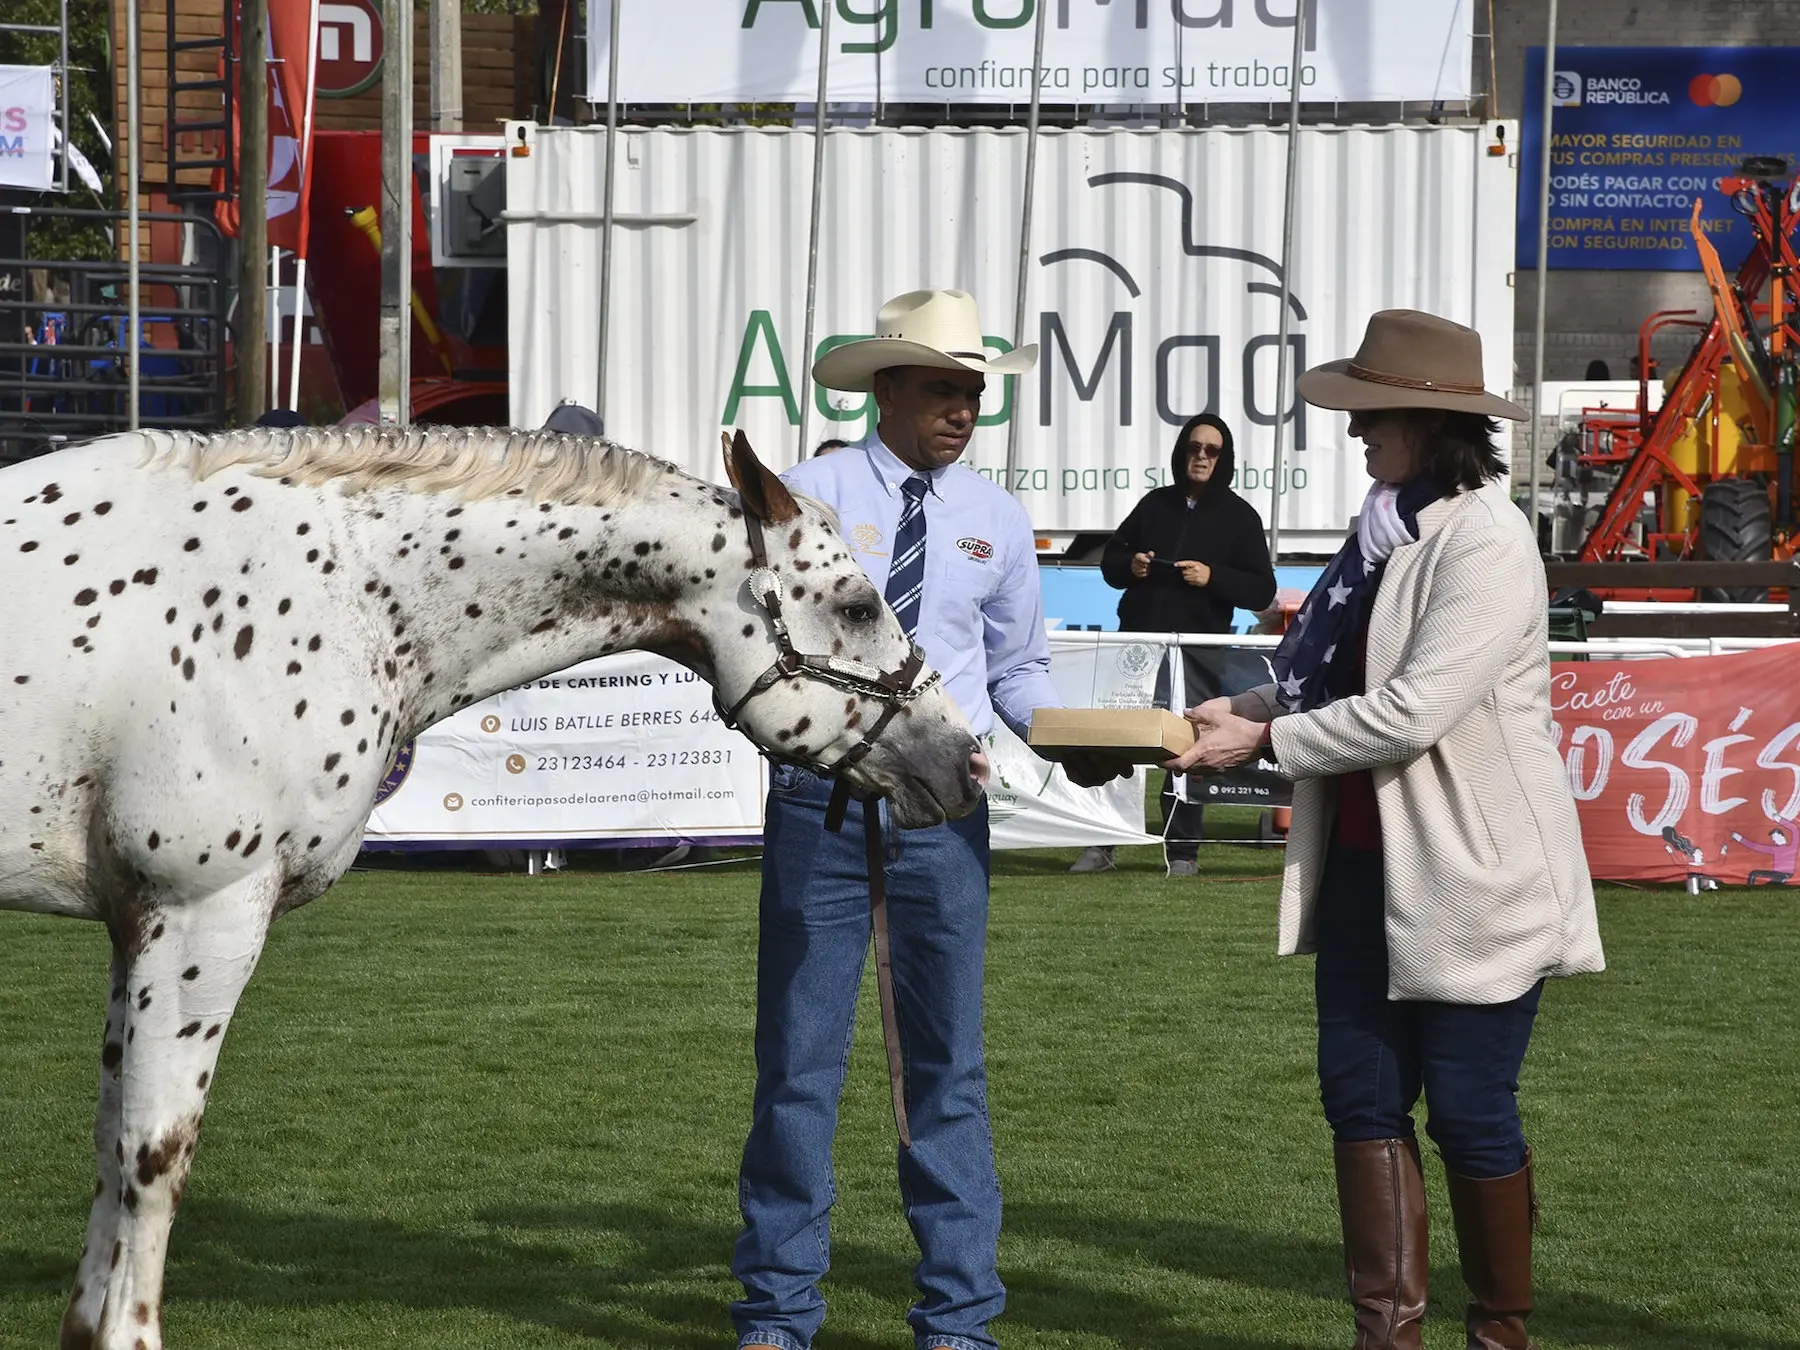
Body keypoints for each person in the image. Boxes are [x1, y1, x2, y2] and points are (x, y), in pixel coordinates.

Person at [1168, 310, 1606, 1350]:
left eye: (1371, 415)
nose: (1357, 434)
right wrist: (1252, 713)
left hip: (1474, 878)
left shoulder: (1485, 540)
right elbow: (1329, 684)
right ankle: (1388, 1338)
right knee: (1359, 1100)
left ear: (1423, 421)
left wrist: (1263, 745)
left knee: (1467, 1112)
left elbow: (1411, 711)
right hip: (1373, 872)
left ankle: (1499, 1332)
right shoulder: (1388, 529)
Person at [731, 288, 1125, 1350]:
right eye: (946, 388)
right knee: (799, 1064)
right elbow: (754, 648)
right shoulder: (804, 496)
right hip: (820, 803)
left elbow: (1020, 676)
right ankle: (777, 1315)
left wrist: (1076, 737)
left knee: (947, 1066)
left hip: (943, 809)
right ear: (888, 389)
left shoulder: (995, 519)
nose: (965, 407)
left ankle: (957, 1320)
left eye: (975, 391)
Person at [1071, 414, 1275, 876]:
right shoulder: (1155, 504)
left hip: (1197, 654)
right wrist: (1134, 566)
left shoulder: (1240, 517)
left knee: (1189, 746)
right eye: (1194, 447)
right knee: (1118, 742)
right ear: (1182, 450)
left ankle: (1183, 851)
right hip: (1138, 646)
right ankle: (1104, 844)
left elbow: (1262, 591)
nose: (1201, 457)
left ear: (1225, 458)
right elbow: (1111, 563)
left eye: (1212, 450)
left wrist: (1213, 577)